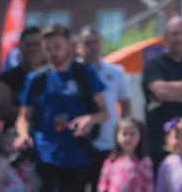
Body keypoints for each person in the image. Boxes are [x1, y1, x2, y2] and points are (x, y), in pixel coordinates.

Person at [14, 24, 110, 192]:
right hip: (43, 156)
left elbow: (105, 113)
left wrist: (90, 119)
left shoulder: (84, 73)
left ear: (69, 45)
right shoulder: (36, 78)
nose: (53, 52)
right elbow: (23, 117)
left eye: (57, 46)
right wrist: (23, 135)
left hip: (77, 155)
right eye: (48, 48)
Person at [140, 18, 182, 170]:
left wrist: (172, 93)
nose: (179, 38)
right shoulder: (153, 65)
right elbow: (163, 93)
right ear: (165, 36)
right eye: (174, 33)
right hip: (158, 143)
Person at [79, 28, 132, 184]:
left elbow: (126, 105)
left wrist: (122, 135)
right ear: (79, 46)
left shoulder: (115, 72)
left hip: (108, 143)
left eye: (96, 42)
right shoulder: (73, 72)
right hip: (78, 145)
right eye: (88, 42)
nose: (92, 46)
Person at [0, 29, 43, 132]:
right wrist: (40, 113)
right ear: (20, 46)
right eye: (28, 45)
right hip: (15, 134)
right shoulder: (7, 78)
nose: (32, 48)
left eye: (36, 44)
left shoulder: (52, 76)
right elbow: (3, 110)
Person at [97, 119, 152, 192]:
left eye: (132, 134)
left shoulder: (144, 161)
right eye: (124, 134)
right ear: (117, 136)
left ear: (140, 136)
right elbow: (103, 185)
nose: (128, 138)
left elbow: (148, 185)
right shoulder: (111, 161)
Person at [154, 119, 182, 192]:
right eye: (176, 137)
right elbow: (161, 188)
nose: (180, 141)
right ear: (168, 139)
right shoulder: (167, 163)